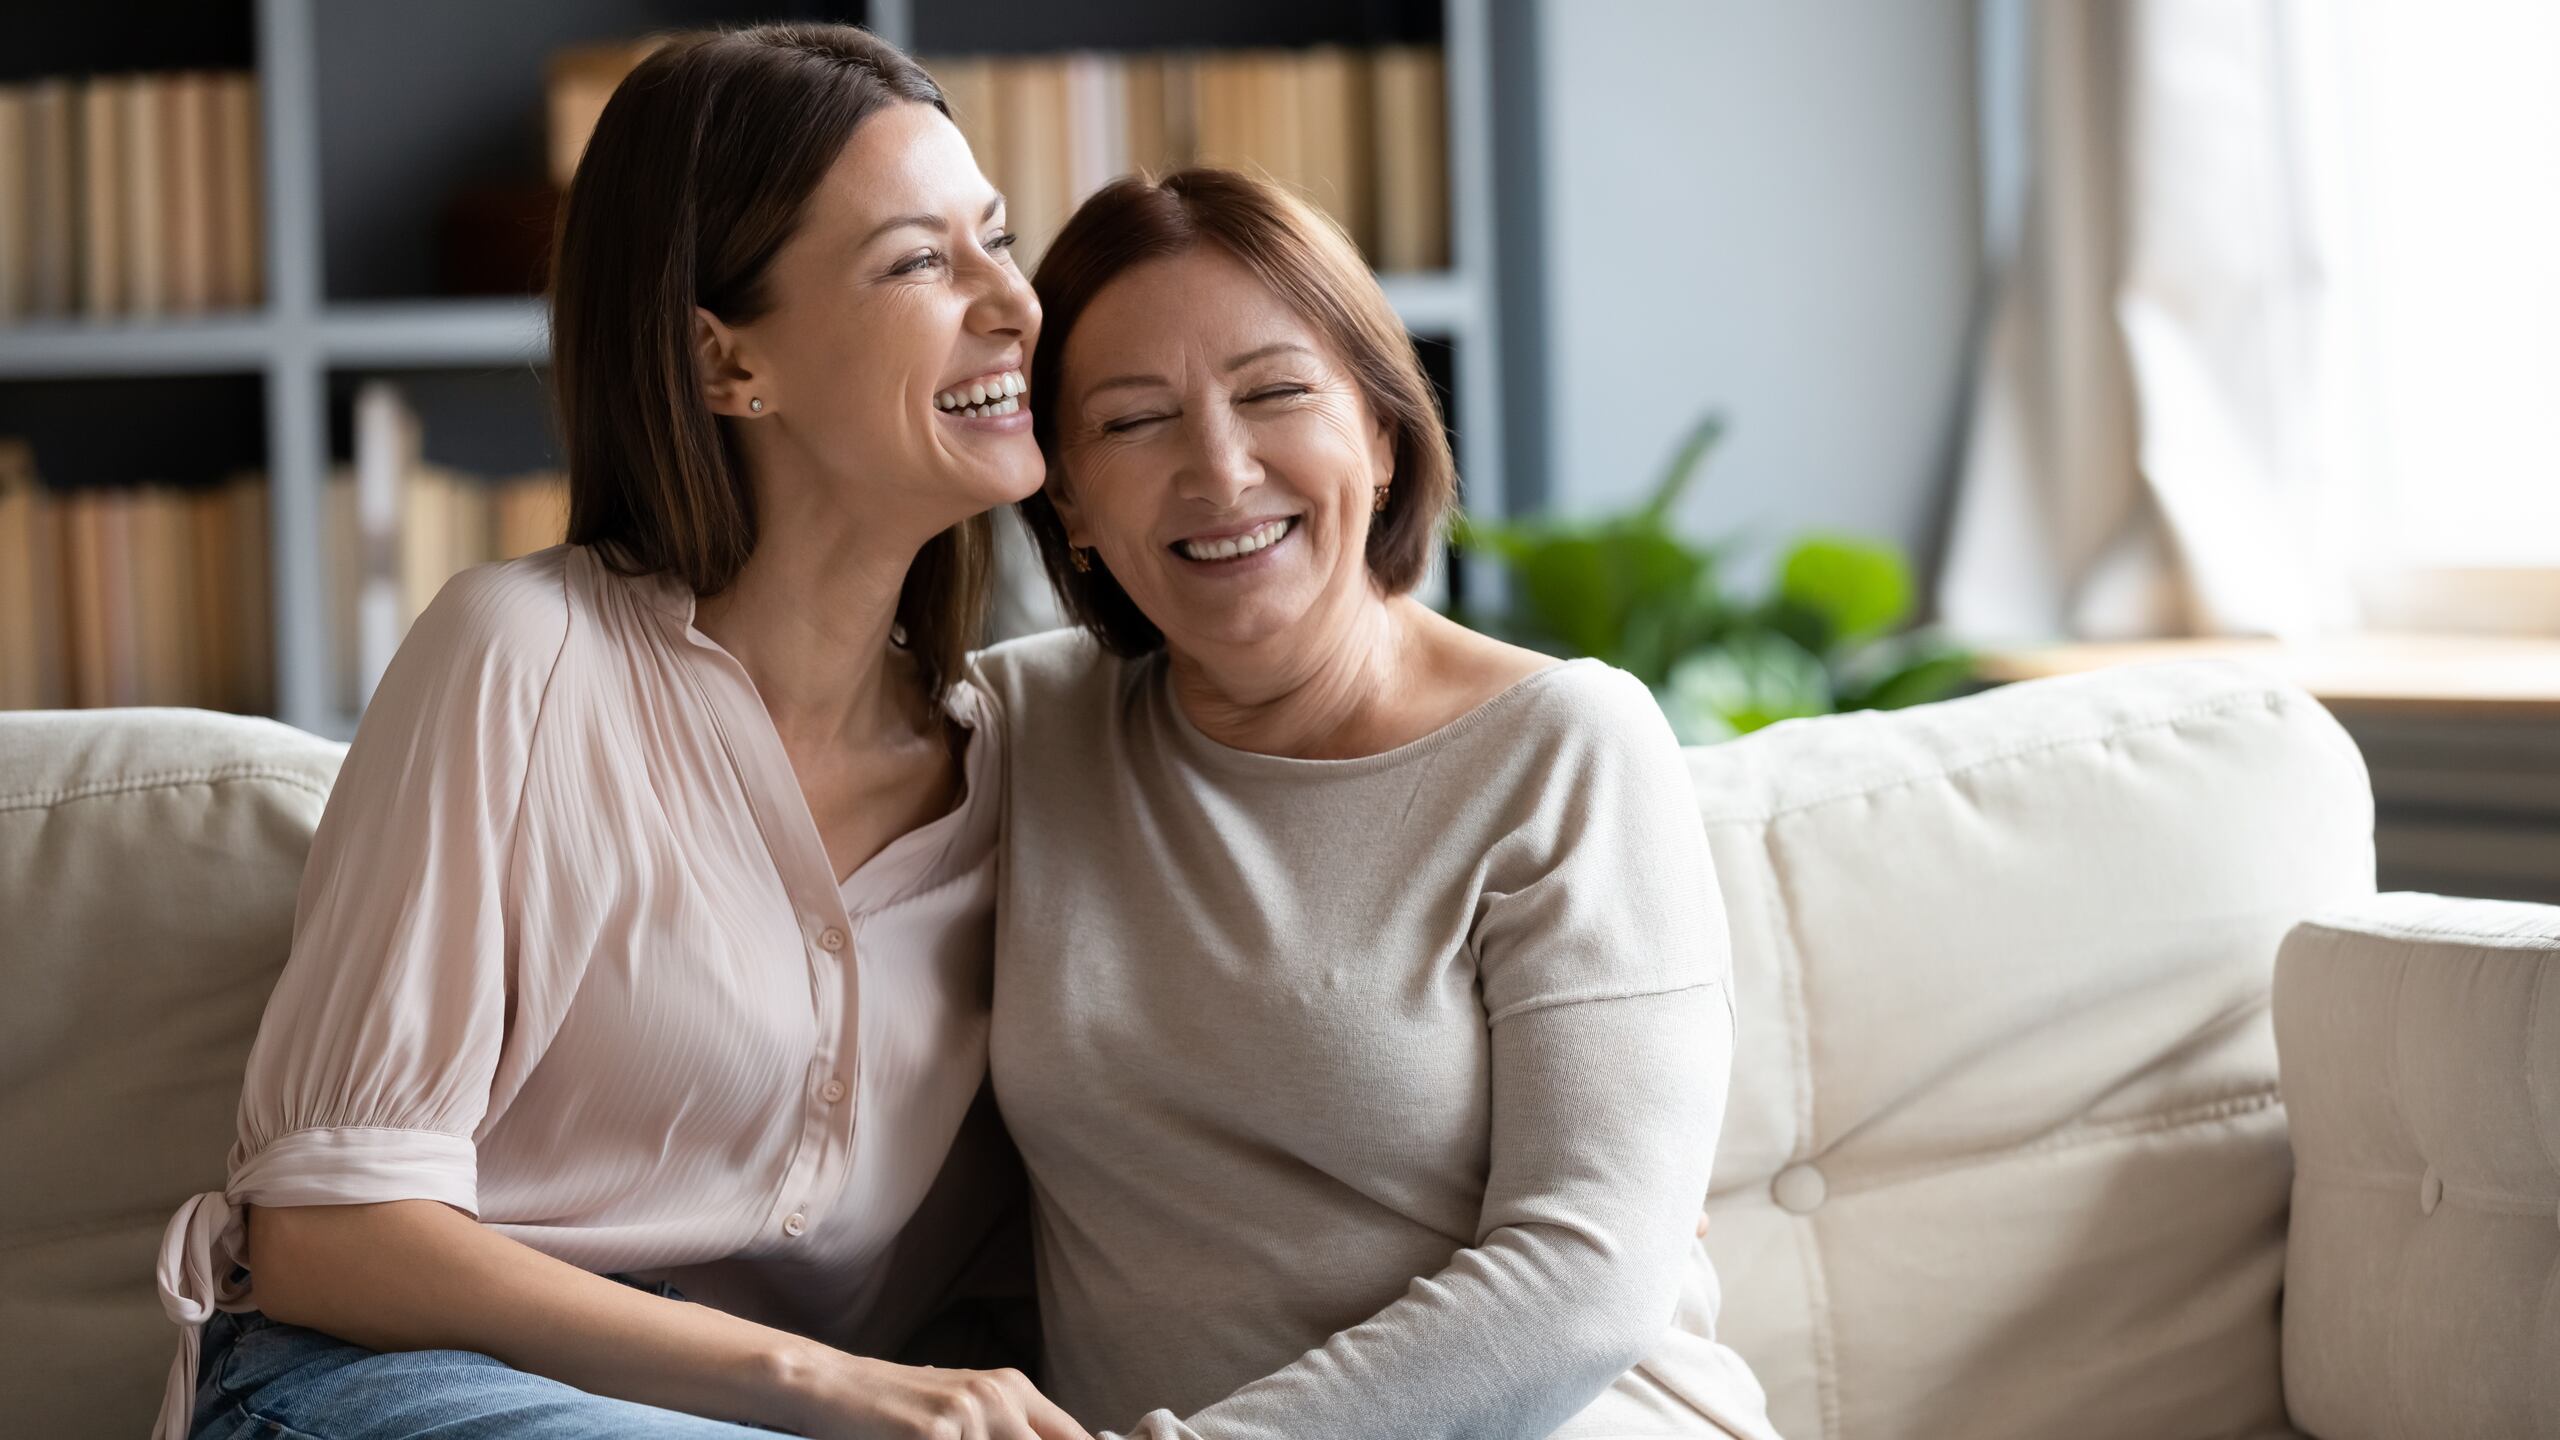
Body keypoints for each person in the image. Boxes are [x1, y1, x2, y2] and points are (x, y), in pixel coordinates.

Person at [152, 25, 1083, 1440]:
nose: (1015, 304)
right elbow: (328, 1236)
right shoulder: (522, 658)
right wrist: (816, 1385)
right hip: (396, 1385)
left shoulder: (1020, 767)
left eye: (998, 241)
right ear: (725, 364)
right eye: (918, 262)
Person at [972, 168, 1783, 1439]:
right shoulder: (1020, 735)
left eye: (1277, 391)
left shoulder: (1566, 746)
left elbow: (1587, 1276)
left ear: (1385, 431)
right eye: (1133, 422)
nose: (1220, 468)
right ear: (1065, 500)